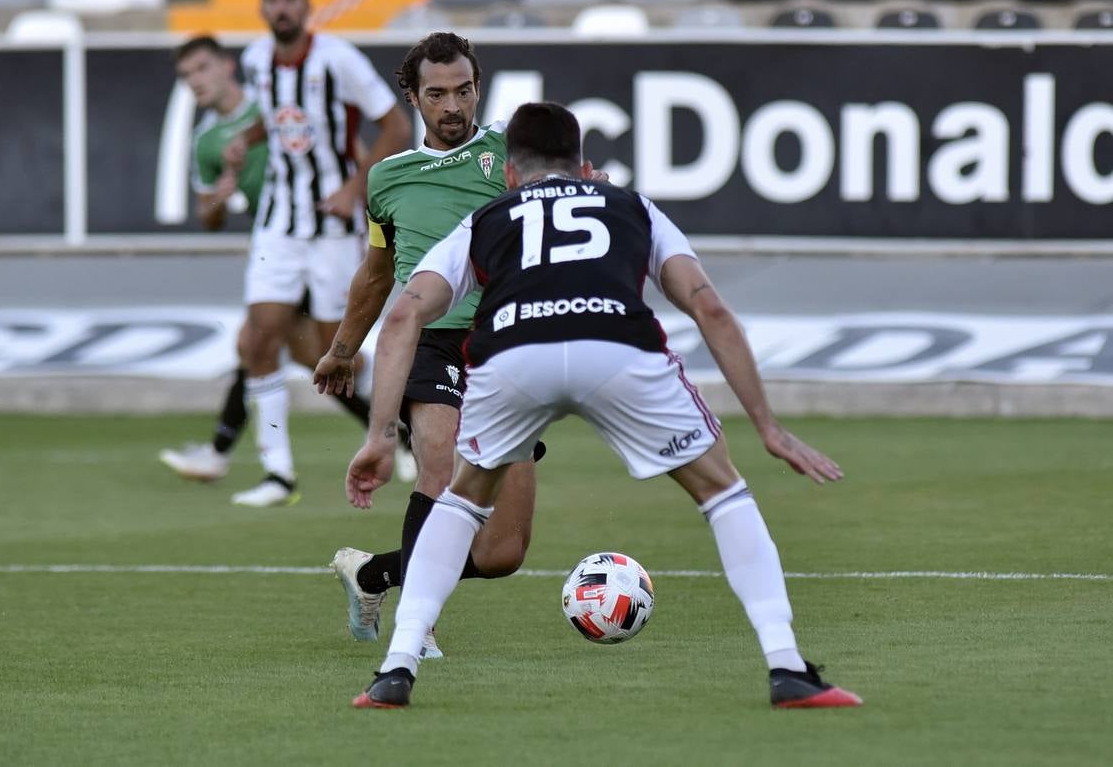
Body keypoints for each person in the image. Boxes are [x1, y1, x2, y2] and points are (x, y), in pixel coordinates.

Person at [345, 101, 863, 710]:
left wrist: (381, 433)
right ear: (585, 167)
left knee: (461, 502)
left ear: (510, 174)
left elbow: (405, 312)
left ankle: (396, 669)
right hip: (616, 348)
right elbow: (709, 307)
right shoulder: (633, 207)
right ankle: (786, 667)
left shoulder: (486, 219)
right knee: (723, 493)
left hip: (514, 352)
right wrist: (769, 427)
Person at [314, 33, 549, 656]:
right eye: (437, 94)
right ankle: (418, 632)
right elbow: (376, 272)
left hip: (508, 345)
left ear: (479, 88)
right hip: (433, 339)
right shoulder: (387, 179)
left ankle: (373, 575)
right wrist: (343, 347)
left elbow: (567, 195)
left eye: (464, 91)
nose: (453, 106)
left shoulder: (510, 152)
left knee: (501, 553)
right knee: (440, 463)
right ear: (413, 97)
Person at [158, 33, 415, 493]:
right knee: (263, 343)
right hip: (279, 242)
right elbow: (208, 217)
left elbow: (344, 146)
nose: (195, 82)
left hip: (327, 236)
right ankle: (261, 464)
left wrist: (357, 202)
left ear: (226, 67)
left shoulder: (275, 96)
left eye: (201, 69)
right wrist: (217, 201)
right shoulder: (207, 140)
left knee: (325, 353)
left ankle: (399, 427)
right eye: (185, 76)